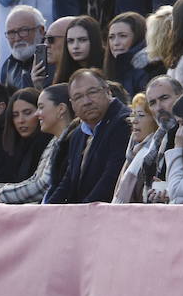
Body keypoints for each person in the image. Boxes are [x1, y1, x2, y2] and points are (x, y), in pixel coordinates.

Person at [45, 68, 132, 203]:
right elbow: (68, 182)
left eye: (92, 92)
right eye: (78, 97)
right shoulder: (77, 134)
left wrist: (81, 214)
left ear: (107, 91)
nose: (86, 101)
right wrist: (46, 211)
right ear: (72, 104)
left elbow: (111, 179)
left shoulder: (124, 122)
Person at [0, 83, 74, 204]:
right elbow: (36, 179)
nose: (37, 114)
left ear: (61, 109)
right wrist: (0, 190)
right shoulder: (55, 140)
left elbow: (42, 187)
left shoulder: (71, 140)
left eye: (41, 107)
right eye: (15, 115)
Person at [104, 12, 150, 96]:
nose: (116, 43)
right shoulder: (110, 69)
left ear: (138, 37)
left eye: (123, 36)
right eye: (111, 37)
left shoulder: (147, 70)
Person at [0, 6, 43, 91]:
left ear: (41, 31)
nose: (17, 38)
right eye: (11, 33)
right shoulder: (8, 66)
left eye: (23, 31)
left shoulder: (52, 60)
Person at [52, 16, 104, 84]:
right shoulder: (63, 71)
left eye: (82, 40)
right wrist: (39, 85)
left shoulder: (108, 67)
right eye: (70, 41)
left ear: (94, 40)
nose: (75, 46)